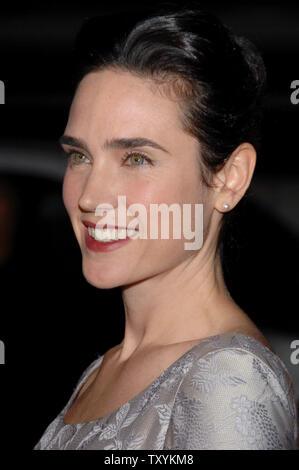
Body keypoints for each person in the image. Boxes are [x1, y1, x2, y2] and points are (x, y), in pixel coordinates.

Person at [34, 6, 298, 450]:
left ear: (228, 178)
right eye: (79, 156)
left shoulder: (227, 379)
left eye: (136, 158)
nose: (90, 197)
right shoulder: (103, 369)